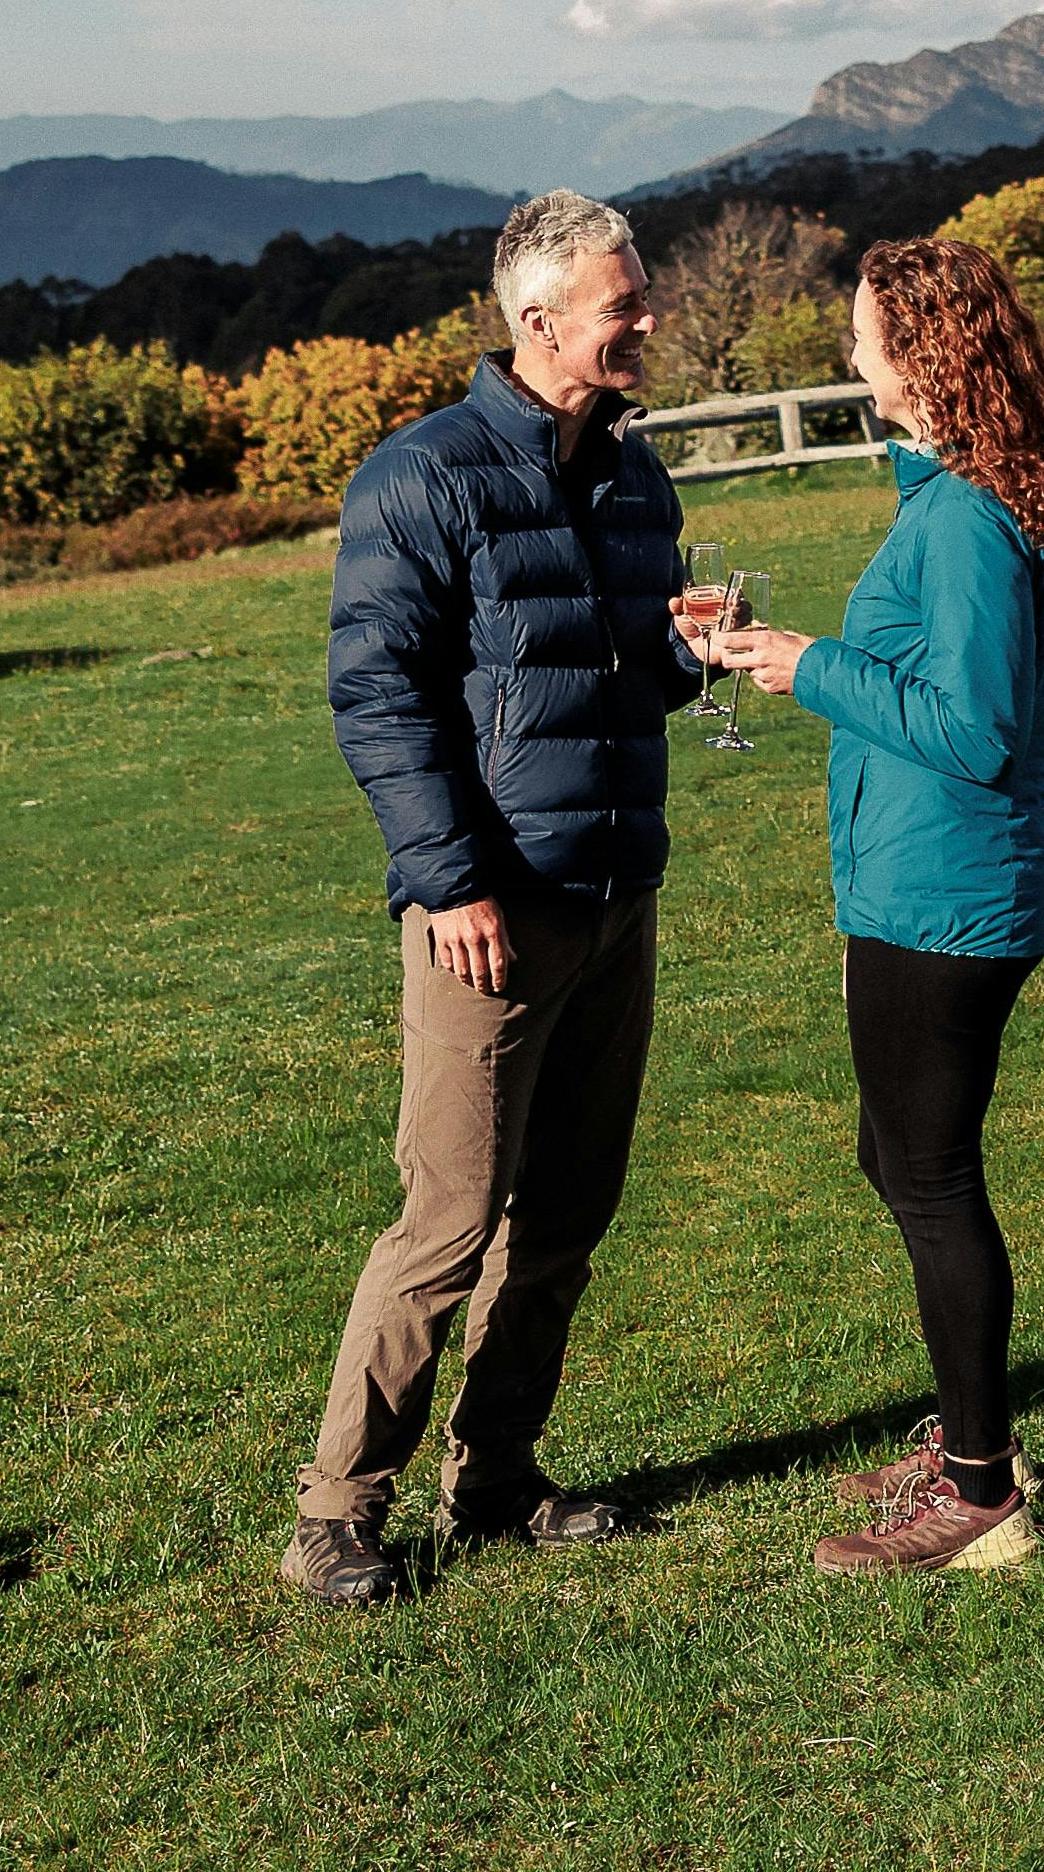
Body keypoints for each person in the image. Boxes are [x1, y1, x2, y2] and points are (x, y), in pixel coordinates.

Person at [281, 189, 697, 1608]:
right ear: (538, 321)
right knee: (450, 1222)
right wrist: (448, 879)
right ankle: (336, 1515)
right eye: (623, 305)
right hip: (488, 913)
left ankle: (499, 1480)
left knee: (568, 1214)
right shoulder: (424, 475)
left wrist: (687, 655)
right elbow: (377, 695)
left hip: (614, 896)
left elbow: (613, 673)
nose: (647, 322)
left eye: (640, 297)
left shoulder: (640, 481)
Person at [709, 232, 1044, 1579]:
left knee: (931, 1180)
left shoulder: (965, 522)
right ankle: (967, 1438)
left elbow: (980, 728)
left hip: (944, 896)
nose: (849, 350)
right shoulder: (954, 493)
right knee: (897, 1159)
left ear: (924, 353)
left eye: (865, 333)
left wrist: (803, 663)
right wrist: (910, 449)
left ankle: (983, 1496)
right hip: (920, 882)